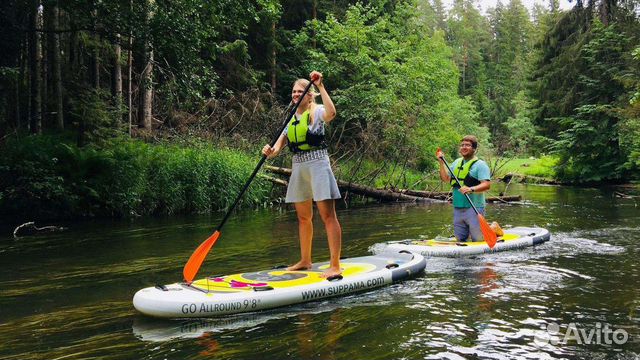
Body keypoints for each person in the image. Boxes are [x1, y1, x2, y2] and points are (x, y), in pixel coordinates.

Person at [262, 71, 342, 278]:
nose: (296, 94)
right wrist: (269, 151)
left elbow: (332, 113)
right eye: (294, 92)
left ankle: (335, 265)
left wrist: (321, 86)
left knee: (327, 216)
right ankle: (305, 260)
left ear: (310, 95)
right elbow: (278, 146)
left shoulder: (317, 111)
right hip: (299, 167)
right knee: (303, 217)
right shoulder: (291, 118)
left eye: (301, 91)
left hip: (318, 165)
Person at [437, 135, 502, 242]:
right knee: (461, 239)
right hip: (457, 207)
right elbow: (445, 179)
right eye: (462, 145)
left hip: (474, 208)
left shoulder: (480, 165)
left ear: (474, 149)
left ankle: (494, 229)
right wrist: (441, 163)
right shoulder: (456, 163)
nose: (464, 147)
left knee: (478, 239)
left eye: (467, 145)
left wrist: (471, 189)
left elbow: (486, 185)